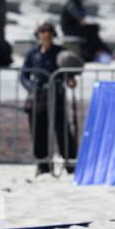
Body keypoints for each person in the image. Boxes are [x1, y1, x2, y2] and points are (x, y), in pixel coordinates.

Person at [20, 22, 79, 175]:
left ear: (53, 34)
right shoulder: (32, 54)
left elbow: (68, 71)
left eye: (49, 31)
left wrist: (70, 79)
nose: (46, 34)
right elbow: (23, 75)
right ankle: (43, 165)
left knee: (62, 130)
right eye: (43, 31)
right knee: (38, 131)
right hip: (37, 96)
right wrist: (31, 88)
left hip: (56, 95)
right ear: (38, 34)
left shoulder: (61, 52)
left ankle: (70, 164)